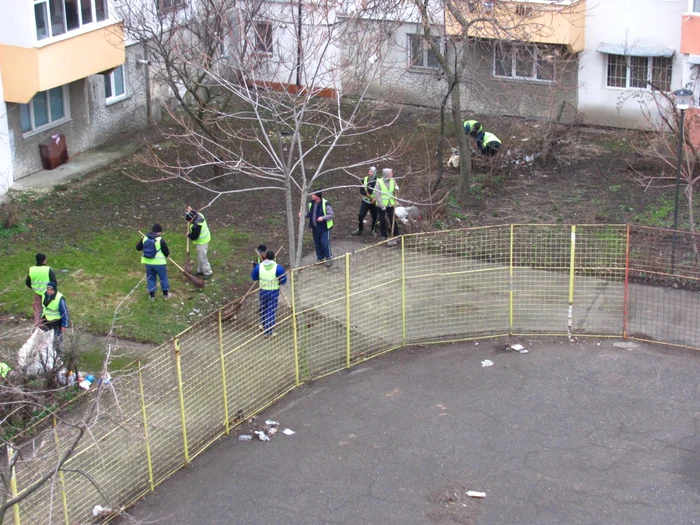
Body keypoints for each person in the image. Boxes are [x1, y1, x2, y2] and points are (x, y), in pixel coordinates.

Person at [251, 250, 287, 336]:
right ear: (274, 258)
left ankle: (262, 324)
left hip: (263, 291)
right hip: (273, 292)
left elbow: (254, 277)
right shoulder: (278, 268)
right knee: (271, 311)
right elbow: (283, 281)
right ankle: (269, 331)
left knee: (263, 308)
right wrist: (278, 282)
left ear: (266, 257)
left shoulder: (259, 267)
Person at [136, 224, 171, 300]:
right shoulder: (160, 240)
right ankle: (165, 295)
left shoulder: (145, 238)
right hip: (159, 263)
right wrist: (168, 255)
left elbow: (138, 248)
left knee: (151, 278)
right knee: (163, 278)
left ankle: (152, 296)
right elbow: (165, 251)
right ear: (159, 232)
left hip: (148, 263)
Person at [26, 253, 57, 326]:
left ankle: (37, 327)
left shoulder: (31, 269)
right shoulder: (48, 269)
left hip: (37, 293)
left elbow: (28, 282)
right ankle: (48, 326)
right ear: (44, 260)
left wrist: (33, 288)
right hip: (47, 294)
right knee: (48, 310)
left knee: (37, 311)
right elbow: (54, 281)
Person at [305, 190, 334, 266]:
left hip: (324, 228)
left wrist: (323, 218)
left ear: (317, 196)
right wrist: (303, 215)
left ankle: (329, 258)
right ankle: (320, 258)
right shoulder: (311, 203)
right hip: (315, 228)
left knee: (324, 243)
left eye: (313, 195)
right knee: (317, 243)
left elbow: (331, 215)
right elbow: (309, 214)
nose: (311, 196)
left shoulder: (326, 204)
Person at [185, 207, 213, 279]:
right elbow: (195, 212)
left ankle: (208, 272)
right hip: (205, 238)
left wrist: (188, 235)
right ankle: (200, 270)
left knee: (202, 257)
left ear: (192, 219)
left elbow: (194, 236)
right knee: (200, 256)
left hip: (202, 242)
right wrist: (191, 210)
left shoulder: (196, 226)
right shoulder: (199, 215)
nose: (190, 222)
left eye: (190, 221)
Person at [375, 168, 399, 243]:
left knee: (393, 219)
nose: (392, 174)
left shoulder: (393, 180)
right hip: (381, 205)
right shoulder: (379, 182)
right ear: (387, 174)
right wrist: (382, 206)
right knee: (382, 220)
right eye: (391, 173)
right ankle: (383, 235)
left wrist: (397, 189)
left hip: (390, 203)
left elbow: (395, 191)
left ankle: (396, 235)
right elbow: (377, 195)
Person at [352, 166, 378, 236]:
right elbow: (361, 190)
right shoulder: (365, 179)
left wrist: (375, 199)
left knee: (375, 217)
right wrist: (366, 194)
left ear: (374, 173)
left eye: (371, 172)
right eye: (369, 171)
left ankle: (373, 230)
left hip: (374, 203)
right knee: (360, 215)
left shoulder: (378, 181)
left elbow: (381, 192)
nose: (369, 173)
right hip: (365, 201)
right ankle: (360, 229)